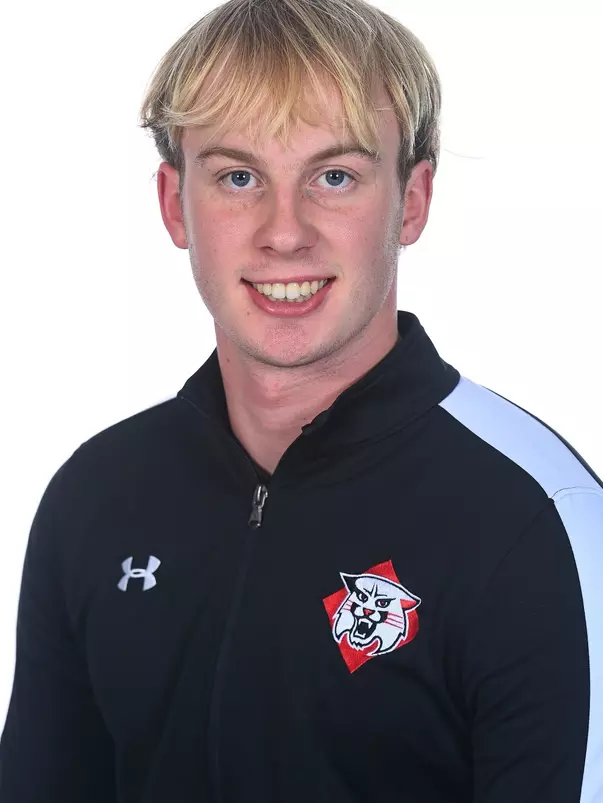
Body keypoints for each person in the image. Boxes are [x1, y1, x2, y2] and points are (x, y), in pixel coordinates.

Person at [1, 0, 601, 800]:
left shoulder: (536, 516)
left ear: (412, 200)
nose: (284, 232)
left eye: (334, 176)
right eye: (238, 176)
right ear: (174, 204)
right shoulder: (97, 494)